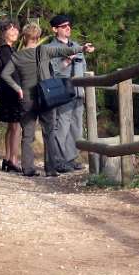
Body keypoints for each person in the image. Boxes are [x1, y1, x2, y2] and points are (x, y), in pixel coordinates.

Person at [0, 22, 95, 177]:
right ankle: (50, 169)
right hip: (46, 96)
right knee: (49, 132)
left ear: (24, 37)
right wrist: (82, 48)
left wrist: (17, 88)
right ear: (38, 37)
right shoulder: (44, 50)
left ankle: (28, 169)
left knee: (28, 135)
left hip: (27, 99)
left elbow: (5, 75)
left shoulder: (17, 56)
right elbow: (66, 50)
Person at [47, 14, 88, 172]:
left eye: (69, 25)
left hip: (78, 92)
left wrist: (85, 89)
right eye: (64, 26)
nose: (68, 28)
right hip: (62, 93)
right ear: (55, 29)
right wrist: (67, 60)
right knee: (62, 127)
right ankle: (58, 160)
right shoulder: (51, 48)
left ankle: (70, 159)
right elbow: (53, 72)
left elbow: (83, 68)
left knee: (76, 127)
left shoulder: (77, 46)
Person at [0, 18, 22, 173]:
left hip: (9, 91)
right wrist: (18, 88)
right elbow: (8, 73)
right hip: (11, 92)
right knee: (16, 126)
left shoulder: (10, 50)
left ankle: (8, 159)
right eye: (11, 29)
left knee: (12, 127)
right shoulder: (5, 50)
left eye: (16, 29)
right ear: (4, 32)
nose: (14, 32)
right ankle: (12, 159)